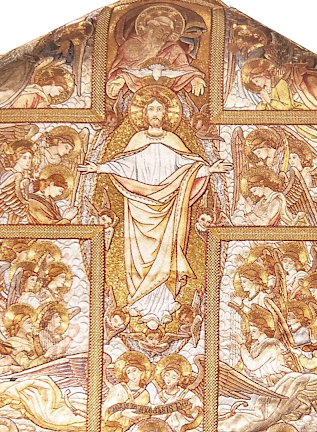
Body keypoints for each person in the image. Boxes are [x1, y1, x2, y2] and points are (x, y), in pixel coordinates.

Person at [78, 87, 231, 329]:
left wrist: (209, 170)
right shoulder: (137, 140)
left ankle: (165, 303)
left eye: (160, 109)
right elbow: (123, 165)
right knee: (139, 256)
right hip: (139, 206)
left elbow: (188, 166)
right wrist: (99, 168)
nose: (156, 113)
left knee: (167, 252)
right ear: (144, 114)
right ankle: (140, 302)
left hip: (169, 208)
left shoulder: (173, 140)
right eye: (151, 109)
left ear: (167, 114)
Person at [106, 7, 205, 98]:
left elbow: (182, 67)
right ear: (151, 27)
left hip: (167, 95)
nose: (163, 36)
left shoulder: (173, 48)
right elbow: (122, 67)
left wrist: (194, 78)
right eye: (161, 30)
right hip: (136, 95)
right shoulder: (131, 45)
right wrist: (121, 79)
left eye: (167, 34)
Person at [0, 140, 35, 225]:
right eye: (24, 157)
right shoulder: (9, 175)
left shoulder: (26, 179)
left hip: (20, 215)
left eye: (30, 158)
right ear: (16, 158)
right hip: (5, 216)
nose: (28, 161)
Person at [231, 307, 292, 387]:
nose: (251, 334)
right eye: (250, 331)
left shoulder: (271, 344)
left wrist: (242, 344)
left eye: (254, 331)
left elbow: (252, 365)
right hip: (264, 382)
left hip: (277, 383)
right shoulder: (256, 345)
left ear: (262, 330)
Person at [102, 351, 152, 432]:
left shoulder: (144, 393)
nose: (132, 374)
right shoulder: (118, 389)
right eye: (128, 372)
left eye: (134, 370)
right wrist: (122, 413)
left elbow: (146, 415)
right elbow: (106, 413)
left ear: (141, 372)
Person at [153, 354, 203, 432]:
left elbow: (198, 409)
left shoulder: (185, 394)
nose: (169, 379)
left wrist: (186, 408)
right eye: (167, 375)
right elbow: (157, 417)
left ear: (178, 380)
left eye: (174, 377)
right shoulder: (160, 396)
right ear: (163, 377)